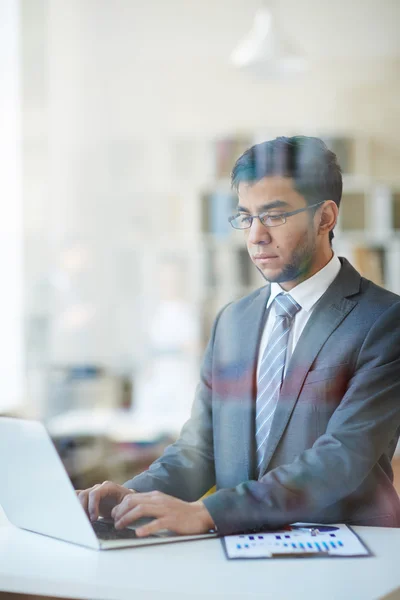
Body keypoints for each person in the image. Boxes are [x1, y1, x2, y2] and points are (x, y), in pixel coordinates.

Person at [78, 136, 400, 537]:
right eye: (246, 217)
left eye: (275, 216)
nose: (255, 236)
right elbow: (200, 449)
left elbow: (341, 459)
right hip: (238, 551)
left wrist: (208, 512)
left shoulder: (384, 319)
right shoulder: (232, 320)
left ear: (326, 218)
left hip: (346, 553)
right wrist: (127, 497)